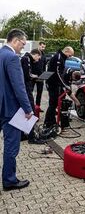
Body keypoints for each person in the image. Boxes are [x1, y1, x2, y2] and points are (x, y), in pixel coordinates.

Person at [0, 29, 33, 191]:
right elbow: (19, 87)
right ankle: (9, 180)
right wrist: (28, 109)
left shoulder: (0, 54)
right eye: (23, 44)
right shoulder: (12, 58)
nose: (23, 48)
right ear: (15, 41)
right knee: (11, 146)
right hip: (10, 110)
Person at [44, 46, 74, 128]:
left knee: (53, 104)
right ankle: (48, 123)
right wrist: (65, 85)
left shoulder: (60, 57)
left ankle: (50, 122)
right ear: (66, 51)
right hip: (53, 83)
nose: (70, 57)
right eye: (70, 55)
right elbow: (57, 73)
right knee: (53, 104)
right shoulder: (59, 57)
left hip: (55, 83)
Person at [21, 49, 44, 144]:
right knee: (31, 111)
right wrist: (34, 76)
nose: (38, 60)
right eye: (38, 57)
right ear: (35, 54)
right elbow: (27, 75)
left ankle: (22, 135)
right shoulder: (26, 59)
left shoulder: (27, 59)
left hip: (25, 88)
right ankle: (32, 137)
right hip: (26, 89)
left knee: (24, 112)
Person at [31, 41, 47, 112]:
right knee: (30, 91)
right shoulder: (34, 53)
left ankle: (38, 106)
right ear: (39, 45)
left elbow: (44, 65)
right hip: (33, 75)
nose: (43, 48)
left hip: (40, 76)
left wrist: (44, 74)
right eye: (42, 47)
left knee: (39, 92)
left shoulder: (43, 55)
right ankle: (31, 106)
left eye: (44, 47)